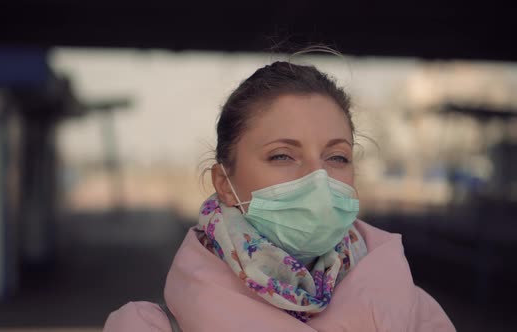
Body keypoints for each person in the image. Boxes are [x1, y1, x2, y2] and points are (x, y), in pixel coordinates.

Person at [103, 61, 455, 331]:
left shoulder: (414, 315)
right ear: (224, 182)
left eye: (337, 158)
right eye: (282, 155)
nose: (318, 179)